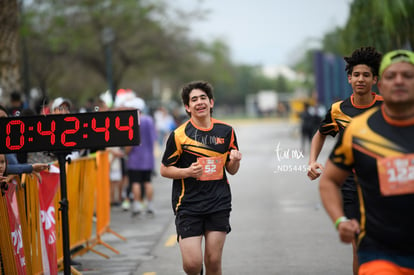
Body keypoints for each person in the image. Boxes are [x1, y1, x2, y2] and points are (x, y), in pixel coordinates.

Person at [319, 49, 414, 275]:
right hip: (379, 250)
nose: (399, 81)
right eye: (392, 76)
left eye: (408, 76)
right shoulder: (359, 130)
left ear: (373, 81)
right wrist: (340, 220)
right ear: (381, 85)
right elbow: (329, 181)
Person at [307, 46, 383, 275]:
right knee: (360, 246)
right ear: (349, 79)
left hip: (384, 186)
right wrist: (312, 161)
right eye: (356, 75)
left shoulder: (386, 106)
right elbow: (320, 134)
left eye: (366, 75)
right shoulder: (338, 110)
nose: (361, 79)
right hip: (350, 186)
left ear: (375, 79)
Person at [160, 80, 242, 275]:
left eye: (203, 98)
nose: (199, 102)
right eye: (194, 99)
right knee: (192, 264)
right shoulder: (179, 135)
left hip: (218, 202)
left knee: (213, 261)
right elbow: (165, 169)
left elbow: (231, 170)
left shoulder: (226, 131)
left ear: (211, 102)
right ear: (188, 107)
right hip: (188, 204)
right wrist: (187, 172)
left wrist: (236, 160)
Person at [124, 97, 157, 216]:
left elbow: (130, 142)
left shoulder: (132, 120)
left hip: (135, 159)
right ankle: (150, 205)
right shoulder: (149, 120)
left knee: (136, 182)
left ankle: (137, 205)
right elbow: (154, 139)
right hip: (148, 159)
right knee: (147, 181)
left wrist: (126, 153)